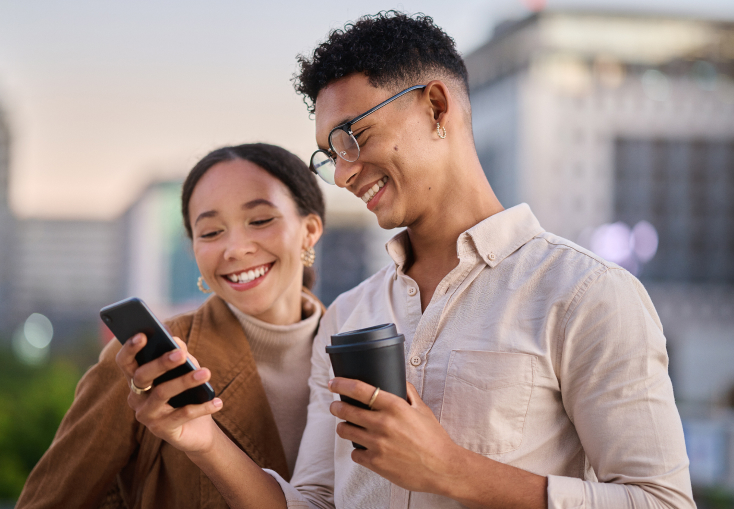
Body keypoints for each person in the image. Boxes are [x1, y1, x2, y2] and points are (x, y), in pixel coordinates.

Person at [116, 12, 695, 509]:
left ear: (436, 107)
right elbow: (316, 502)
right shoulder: (348, 315)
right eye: (329, 155)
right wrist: (202, 440)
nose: (341, 174)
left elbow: (660, 499)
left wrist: (454, 470)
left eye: (352, 138)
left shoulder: (586, 294)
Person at [16, 143, 325, 509]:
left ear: (309, 231)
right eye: (210, 232)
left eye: (259, 220)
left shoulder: (353, 344)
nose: (236, 249)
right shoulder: (146, 362)